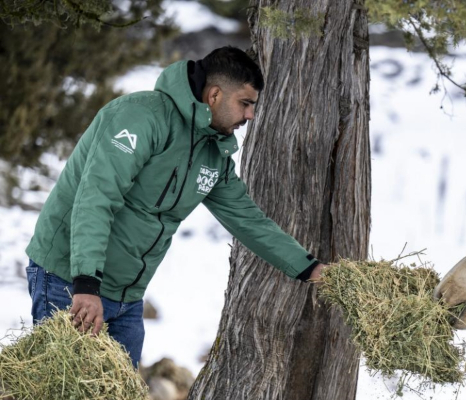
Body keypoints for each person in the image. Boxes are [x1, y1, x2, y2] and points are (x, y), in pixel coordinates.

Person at [25, 46, 324, 368]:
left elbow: (248, 220)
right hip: (68, 280)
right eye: (245, 103)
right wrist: (84, 284)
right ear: (214, 95)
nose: (250, 116)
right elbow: (97, 198)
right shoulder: (141, 116)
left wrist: (311, 270)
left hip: (126, 295)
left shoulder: (213, 152)